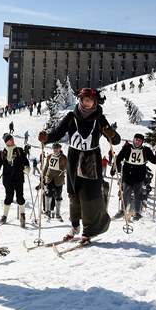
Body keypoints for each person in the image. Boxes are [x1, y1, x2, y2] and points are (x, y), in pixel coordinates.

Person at [38, 88, 120, 243]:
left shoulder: (99, 119)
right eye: (84, 100)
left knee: (89, 196)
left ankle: (89, 231)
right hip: (74, 158)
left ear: (95, 102)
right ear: (80, 101)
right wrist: (46, 138)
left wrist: (112, 134)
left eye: (90, 101)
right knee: (73, 193)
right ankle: (75, 226)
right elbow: (58, 133)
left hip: (91, 159)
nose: (87, 103)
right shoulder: (71, 117)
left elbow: (115, 141)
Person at [113, 133, 156, 221]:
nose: (137, 142)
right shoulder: (127, 148)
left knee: (138, 194)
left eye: (139, 141)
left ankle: (137, 213)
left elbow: (154, 161)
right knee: (125, 194)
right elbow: (119, 157)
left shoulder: (146, 150)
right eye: (136, 140)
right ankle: (122, 210)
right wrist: (115, 167)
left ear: (142, 142)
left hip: (139, 176)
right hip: (128, 175)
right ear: (134, 139)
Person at [0, 133, 31, 228]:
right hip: (7, 179)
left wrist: (27, 167)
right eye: (10, 139)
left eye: (12, 139)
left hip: (18, 177)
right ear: (6, 142)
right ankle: (4, 216)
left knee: (20, 197)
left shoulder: (19, 150)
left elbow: (25, 161)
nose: (12, 141)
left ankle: (22, 215)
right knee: (8, 197)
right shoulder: (2, 153)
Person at [42, 143, 68, 221]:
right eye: (54, 148)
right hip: (49, 177)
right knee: (48, 193)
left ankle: (58, 214)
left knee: (58, 196)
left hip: (59, 179)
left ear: (60, 149)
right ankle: (47, 212)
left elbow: (67, 168)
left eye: (57, 148)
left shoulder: (63, 158)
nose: (55, 150)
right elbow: (46, 166)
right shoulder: (49, 156)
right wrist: (43, 175)